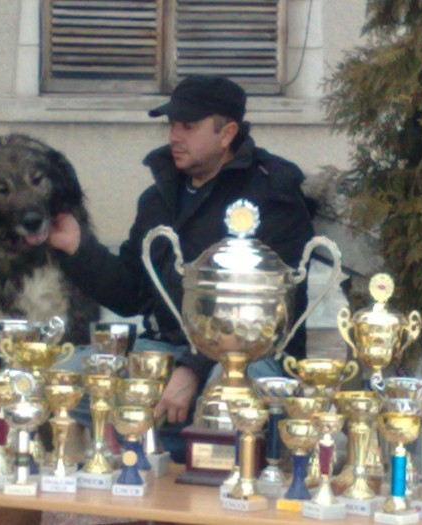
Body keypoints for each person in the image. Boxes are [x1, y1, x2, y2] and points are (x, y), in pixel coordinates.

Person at [48, 75, 315, 460]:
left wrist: (191, 369)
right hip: (163, 347)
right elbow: (132, 293)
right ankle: (153, 453)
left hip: (251, 357)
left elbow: (273, 315)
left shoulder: (272, 194)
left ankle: (205, 475)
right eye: (172, 125)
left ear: (227, 133)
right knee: (64, 376)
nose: (175, 136)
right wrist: (77, 247)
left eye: (188, 127)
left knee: (227, 399)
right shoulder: (157, 199)